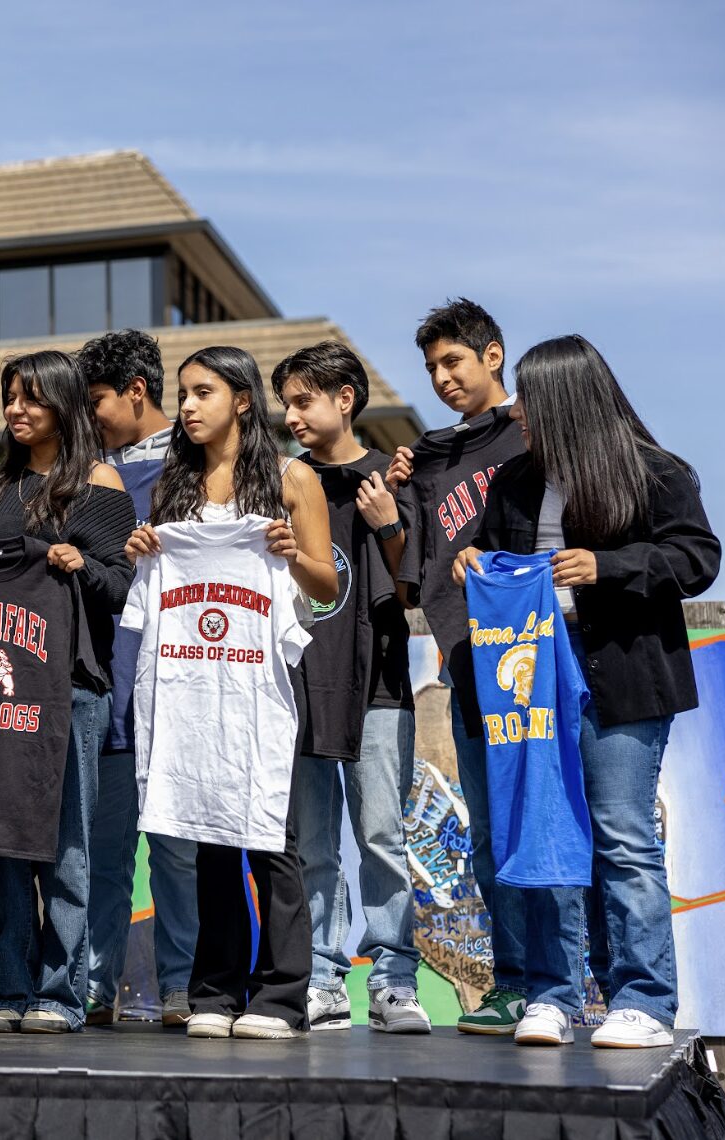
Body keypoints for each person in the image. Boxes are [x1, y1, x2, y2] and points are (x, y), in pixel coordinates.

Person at [453, 335, 718, 1049]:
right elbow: (491, 552)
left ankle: (643, 1000)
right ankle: (552, 994)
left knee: (622, 836)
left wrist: (606, 566)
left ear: (567, 400)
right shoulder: (512, 480)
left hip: (623, 672)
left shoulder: (654, 473)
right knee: (545, 828)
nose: (518, 411)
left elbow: (697, 557)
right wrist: (475, 558)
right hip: (532, 676)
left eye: (529, 399)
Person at [124, 346, 337, 1040]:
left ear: (243, 400)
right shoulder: (172, 486)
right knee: (210, 832)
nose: (186, 406)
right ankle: (216, 992)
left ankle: (280, 996)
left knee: (273, 839)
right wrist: (142, 553)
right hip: (195, 689)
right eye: (183, 393)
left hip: (262, 683)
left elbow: (328, 588)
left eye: (203, 392)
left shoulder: (291, 478)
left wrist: (290, 555)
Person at [0, 349, 135, 1034]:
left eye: (32, 398)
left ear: (64, 403)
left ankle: (62, 991)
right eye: (11, 397)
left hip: (73, 690)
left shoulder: (98, 480)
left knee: (66, 847)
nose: (17, 410)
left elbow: (123, 588)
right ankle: (10, 986)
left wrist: (80, 565)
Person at [271, 341, 428, 1034]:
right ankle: (323, 977)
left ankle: (394, 980)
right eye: (286, 404)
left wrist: (386, 521)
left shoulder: (387, 478)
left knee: (382, 837)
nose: (293, 416)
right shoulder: (282, 480)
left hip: (379, 682)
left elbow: (411, 586)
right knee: (311, 846)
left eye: (303, 400)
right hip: (298, 684)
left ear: (345, 399)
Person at [387, 298, 531, 1035]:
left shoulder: (539, 431)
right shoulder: (432, 457)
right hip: (472, 658)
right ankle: (511, 982)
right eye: (432, 367)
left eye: (455, 361)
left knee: (561, 820)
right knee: (486, 831)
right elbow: (411, 569)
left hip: (545, 653)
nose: (443, 378)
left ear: (494, 354)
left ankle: (575, 983)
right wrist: (403, 486)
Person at [78, 328, 200, 1029]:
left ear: (137, 391)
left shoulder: (202, 467)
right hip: (105, 690)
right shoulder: (79, 474)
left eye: (96, 400)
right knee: (103, 853)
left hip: (184, 691)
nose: (88, 415)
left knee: (180, 853)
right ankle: (95, 985)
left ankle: (182, 986)